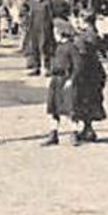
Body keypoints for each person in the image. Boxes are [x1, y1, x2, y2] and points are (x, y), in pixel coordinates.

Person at [69, 11, 107, 143]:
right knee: (93, 98)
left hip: (85, 70)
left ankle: (86, 129)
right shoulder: (96, 34)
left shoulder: (83, 37)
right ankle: (88, 128)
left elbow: (81, 53)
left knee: (83, 98)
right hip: (96, 70)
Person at [42, 17, 77, 146]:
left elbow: (77, 66)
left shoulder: (71, 47)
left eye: (55, 32)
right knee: (53, 109)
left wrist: (71, 79)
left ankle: (74, 134)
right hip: (55, 80)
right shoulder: (58, 47)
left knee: (69, 109)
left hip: (66, 80)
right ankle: (53, 134)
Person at [21, 0, 55, 76]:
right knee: (33, 47)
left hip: (45, 27)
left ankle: (47, 68)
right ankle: (35, 67)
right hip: (32, 28)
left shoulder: (47, 2)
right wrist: (24, 23)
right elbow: (22, 13)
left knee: (45, 47)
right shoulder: (28, 2)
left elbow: (52, 15)